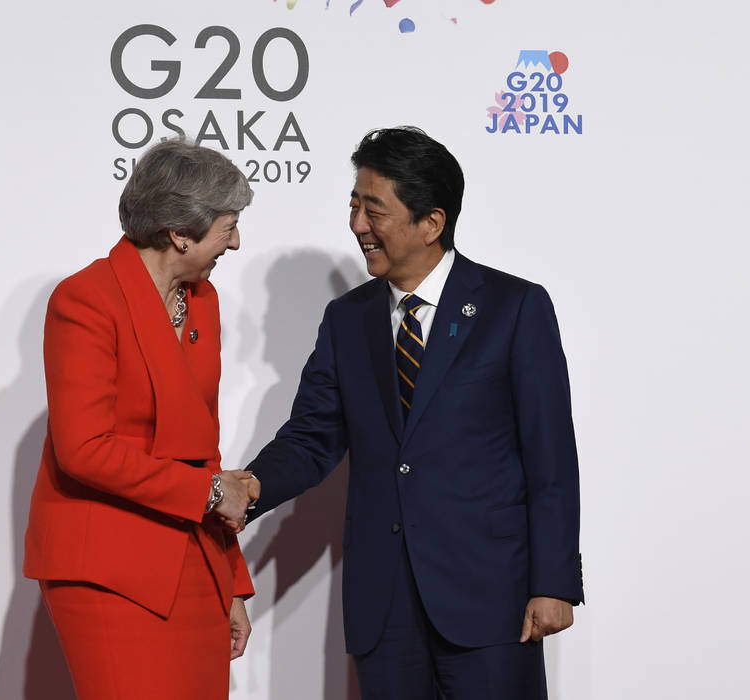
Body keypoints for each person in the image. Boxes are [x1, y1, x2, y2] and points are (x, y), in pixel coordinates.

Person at [243, 126, 584, 699]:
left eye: (373, 210)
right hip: (385, 609)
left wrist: (553, 583)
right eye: (354, 207)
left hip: (491, 603)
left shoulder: (515, 308)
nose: (358, 226)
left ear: (432, 222)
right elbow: (311, 437)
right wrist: (250, 487)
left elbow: (550, 456)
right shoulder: (346, 320)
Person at [23, 138, 258, 700]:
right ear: (182, 232)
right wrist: (206, 492)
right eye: (228, 226)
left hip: (196, 563)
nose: (237, 241)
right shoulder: (85, 300)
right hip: (107, 565)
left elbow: (203, 446)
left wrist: (234, 582)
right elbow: (84, 450)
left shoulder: (203, 300)